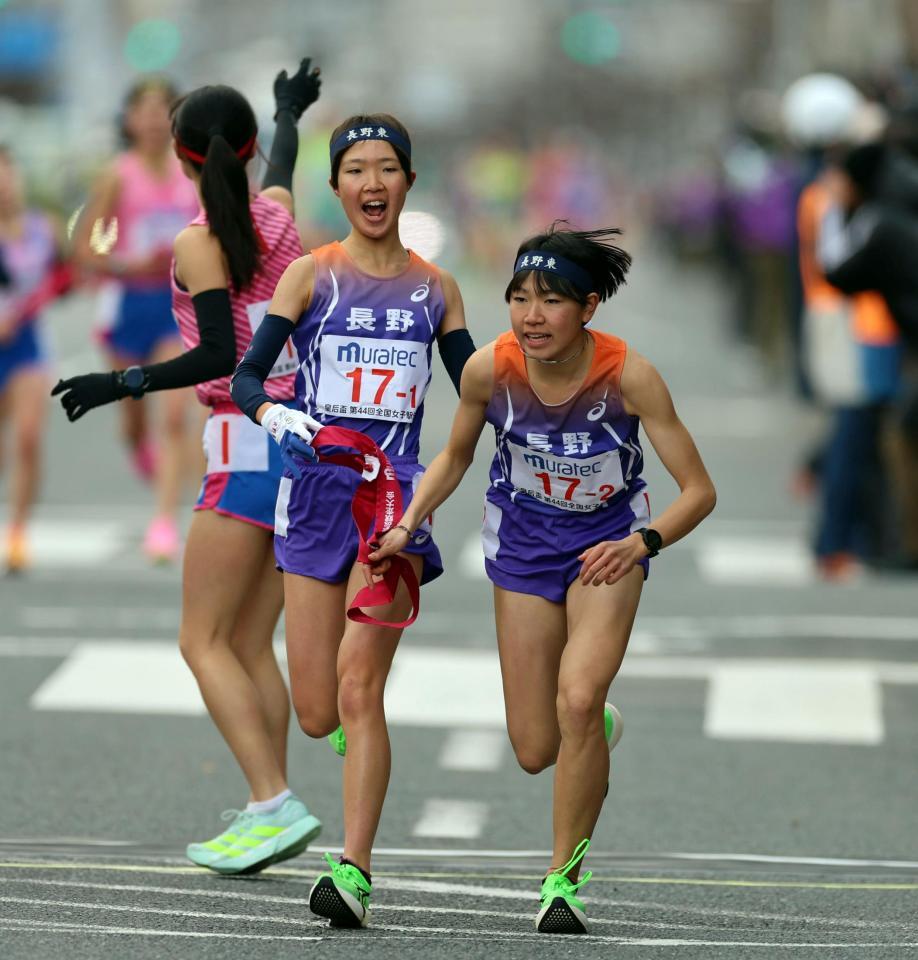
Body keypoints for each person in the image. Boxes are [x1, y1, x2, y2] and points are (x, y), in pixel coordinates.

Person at [369, 224, 716, 934]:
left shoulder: (628, 375)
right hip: (523, 546)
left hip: (606, 548)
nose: (531, 315)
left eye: (551, 301)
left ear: (587, 308)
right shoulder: (489, 370)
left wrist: (640, 541)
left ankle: (563, 879)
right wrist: (406, 523)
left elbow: (698, 491)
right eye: (519, 298)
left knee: (579, 697)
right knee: (535, 748)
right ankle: (589, 729)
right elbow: (455, 458)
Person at [53, 62, 325, 874]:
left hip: (244, 440)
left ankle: (273, 801)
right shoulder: (277, 217)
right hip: (304, 445)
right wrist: (286, 112)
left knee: (201, 640)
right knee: (248, 641)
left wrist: (121, 382)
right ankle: (264, 805)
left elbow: (218, 350)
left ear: (183, 159)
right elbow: (279, 168)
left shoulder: (198, 243)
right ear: (240, 151)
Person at [230, 114, 474, 928]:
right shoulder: (310, 276)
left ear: (409, 182)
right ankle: (348, 744)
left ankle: (353, 871)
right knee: (318, 710)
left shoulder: (436, 289)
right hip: (314, 496)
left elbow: (477, 388)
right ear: (335, 187)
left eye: (388, 169)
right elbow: (247, 378)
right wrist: (273, 414)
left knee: (360, 690)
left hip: (394, 506)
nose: (373, 184)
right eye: (357, 170)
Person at [72, 77, 201, 561]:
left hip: (175, 306)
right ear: (128, 121)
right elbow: (89, 245)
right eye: (143, 110)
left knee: (173, 414)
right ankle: (141, 450)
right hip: (128, 305)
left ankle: (164, 522)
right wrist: (126, 261)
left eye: (161, 109)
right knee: (134, 421)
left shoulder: (189, 172)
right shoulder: (118, 175)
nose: (151, 119)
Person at [0, 146, 71, 572]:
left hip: (29, 347)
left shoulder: (43, 229)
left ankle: (19, 532)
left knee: (28, 437)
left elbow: (67, 274)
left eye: (9, 177)